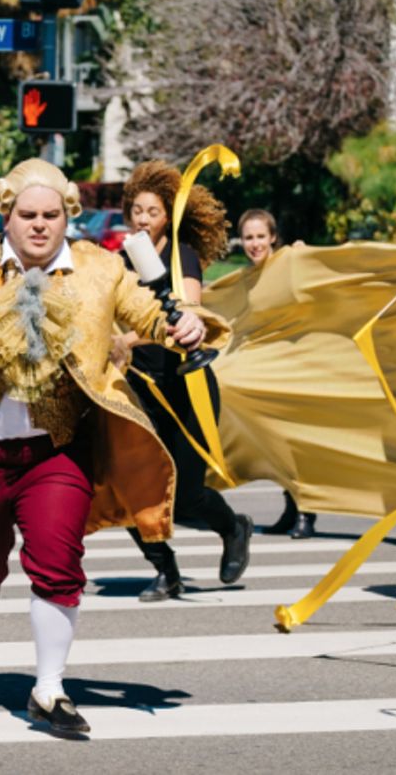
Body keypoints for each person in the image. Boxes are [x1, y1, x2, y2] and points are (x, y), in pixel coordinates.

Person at [0, 159, 230, 736]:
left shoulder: (99, 268)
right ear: (7, 216)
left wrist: (186, 324)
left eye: (52, 215)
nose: (40, 225)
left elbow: (151, 312)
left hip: (55, 451)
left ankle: (49, 689)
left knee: (58, 563)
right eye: (28, 215)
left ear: (68, 215)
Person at [109, 161, 253, 602]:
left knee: (187, 495)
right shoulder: (117, 262)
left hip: (184, 382)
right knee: (132, 488)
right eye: (136, 210)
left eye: (152, 211)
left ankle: (234, 527)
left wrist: (128, 338)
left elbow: (190, 310)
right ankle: (164, 570)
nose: (142, 219)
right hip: (138, 386)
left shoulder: (180, 255)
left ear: (167, 216)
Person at [237, 209, 315, 539]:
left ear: (272, 237)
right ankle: (291, 506)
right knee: (276, 446)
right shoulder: (245, 279)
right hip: (266, 370)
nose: (254, 244)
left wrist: (304, 257)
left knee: (296, 446)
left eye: (260, 236)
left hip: (295, 367)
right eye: (248, 237)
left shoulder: (289, 262)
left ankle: (307, 511)